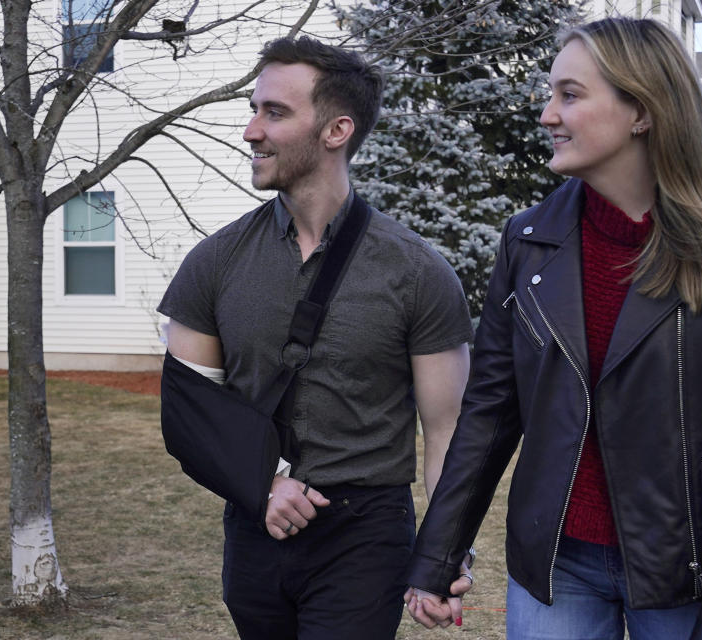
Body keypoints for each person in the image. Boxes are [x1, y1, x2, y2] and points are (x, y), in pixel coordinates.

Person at [403, 17, 702, 640]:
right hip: (556, 567)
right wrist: (435, 559)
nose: (546, 115)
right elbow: (488, 412)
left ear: (640, 110)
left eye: (569, 94)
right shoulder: (529, 240)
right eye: (549, 93)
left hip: (683, 570)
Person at [157, 36, 474, 640]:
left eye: (274, 113)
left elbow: (447, 429)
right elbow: (190, 411)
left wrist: (446, 553)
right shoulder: (214, 262)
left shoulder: (417, 272)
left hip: (366, 533)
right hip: (255, 526)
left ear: (336, 131)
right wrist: (264, 485)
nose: (251, 131)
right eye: (254, 110)